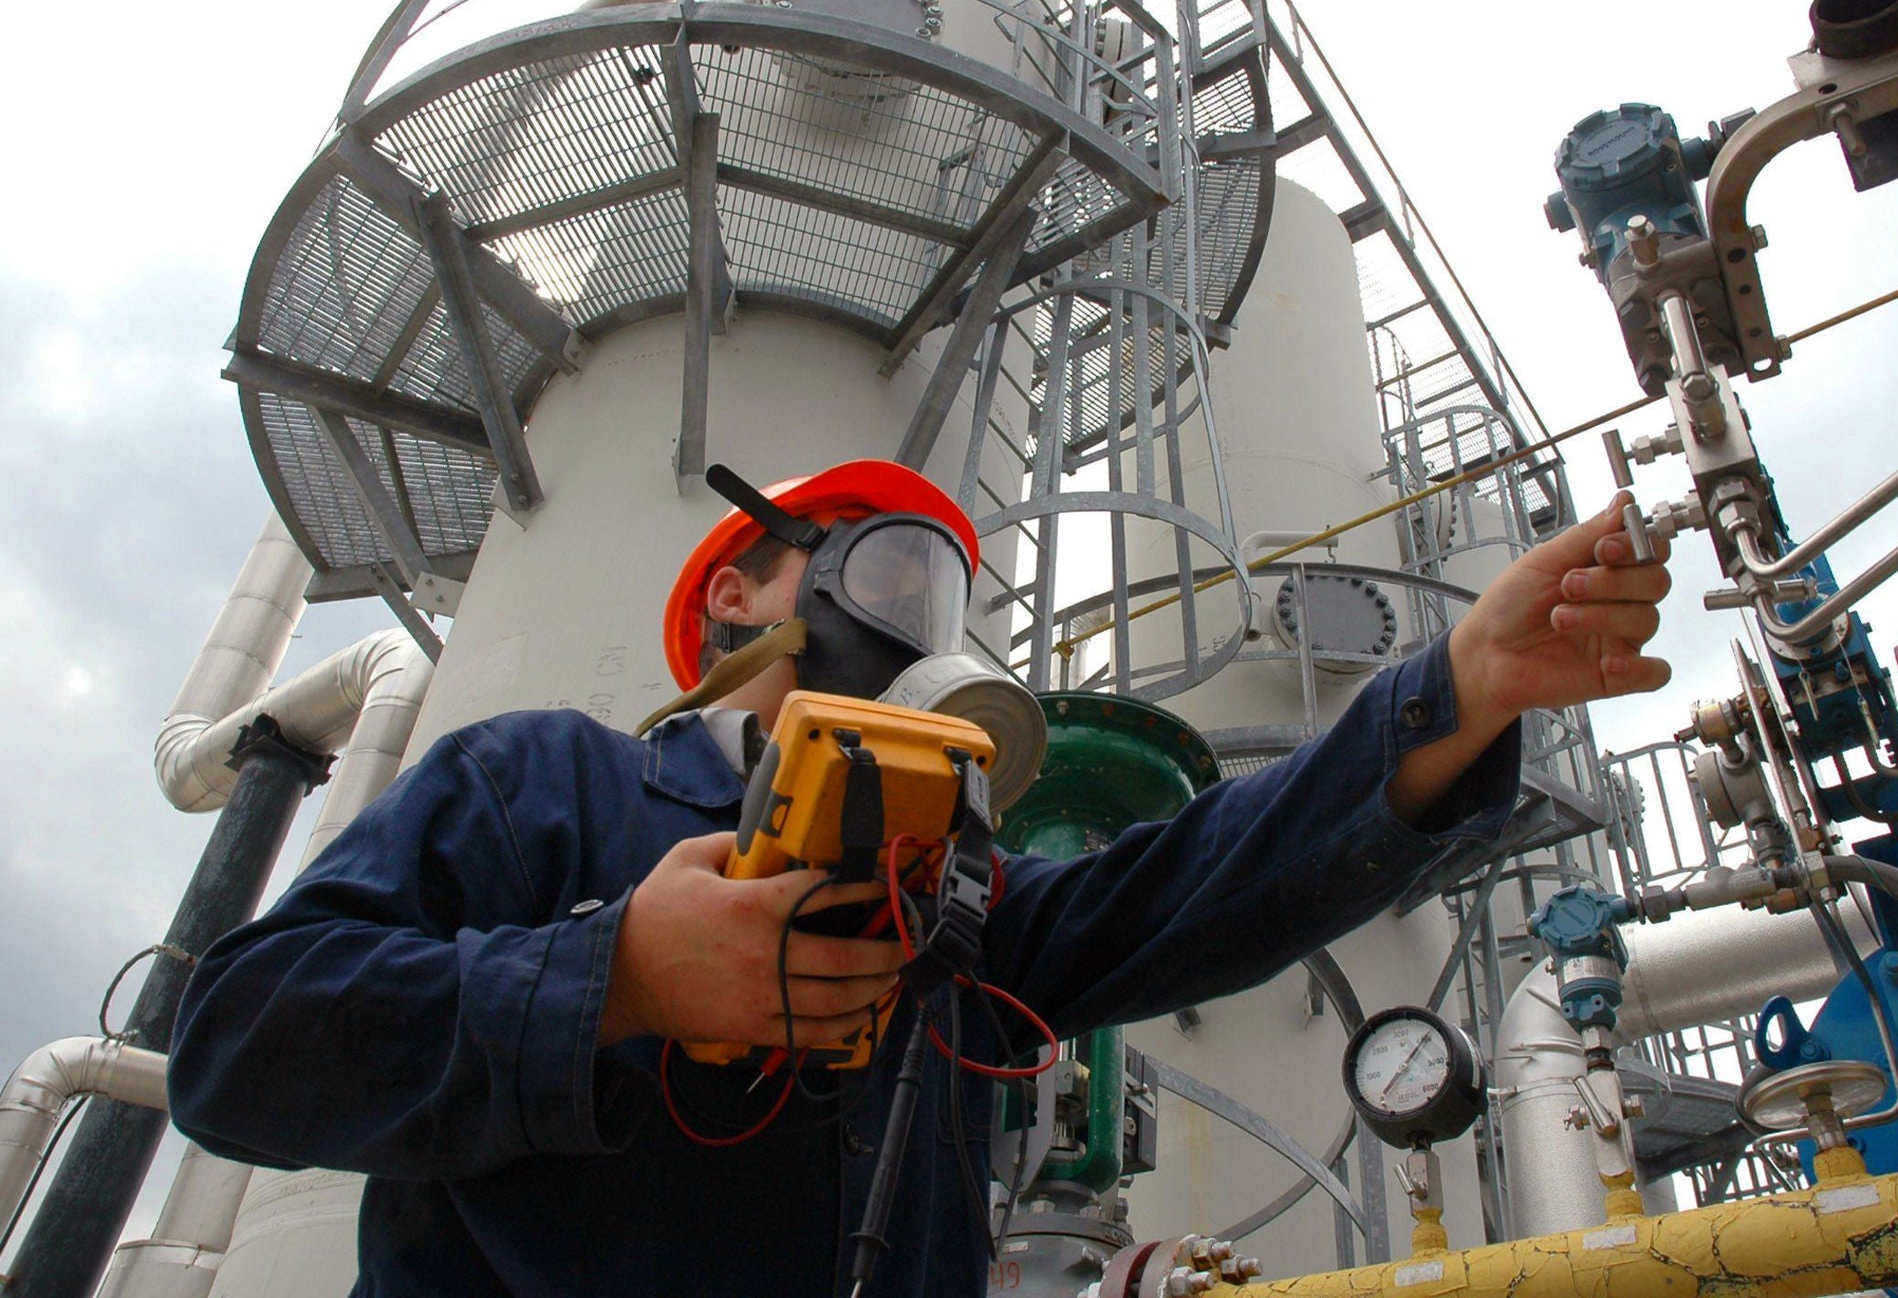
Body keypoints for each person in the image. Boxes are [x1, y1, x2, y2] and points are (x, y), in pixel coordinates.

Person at [168, 459, 1672, 1298]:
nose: (913, 622)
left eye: (943, 597)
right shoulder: (542, 787)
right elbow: (240, 1043)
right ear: (737, 596)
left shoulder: (952, 895)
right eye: (884, 574)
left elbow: (1200, 883)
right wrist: (616, 974)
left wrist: (1455, 688)